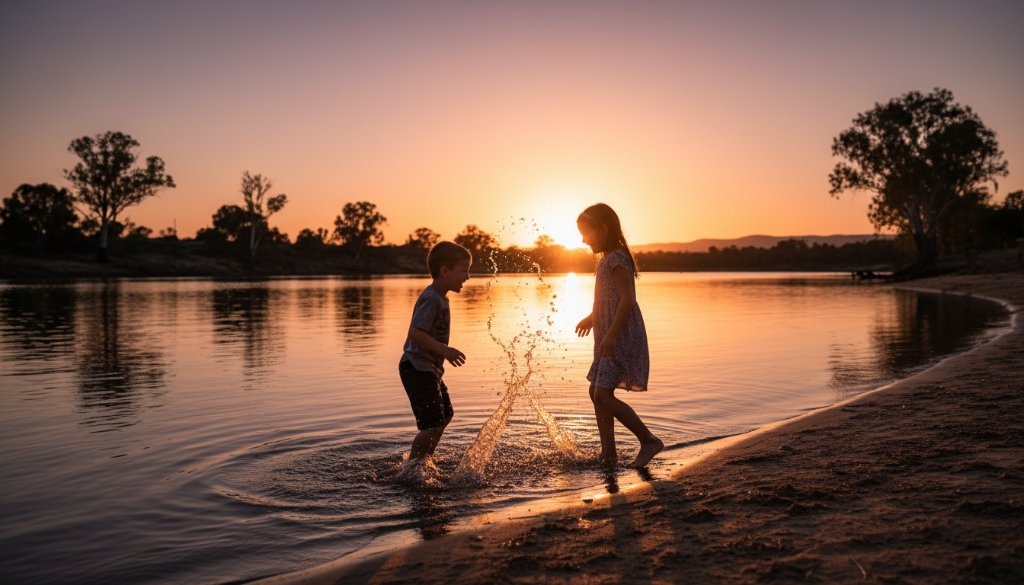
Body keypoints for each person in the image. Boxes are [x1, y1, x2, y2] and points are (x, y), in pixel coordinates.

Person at [575, 203, 663, 468]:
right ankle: (609, 454)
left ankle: (648, 440)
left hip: (619, 335)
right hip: (606, 334)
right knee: (596, 391)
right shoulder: (606, 259)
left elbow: (627, 300)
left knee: (602, 394)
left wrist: (612, 335)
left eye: (586, 233)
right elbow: (609, 298)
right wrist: (592, 318)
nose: (583, 239)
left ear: (602, 229)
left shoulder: (616, 258)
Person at [396, 241, 472, 479]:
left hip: (428, 369)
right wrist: (445, 350)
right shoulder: (432, 298)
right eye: (464, 270)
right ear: (445, 271)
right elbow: (415, 333)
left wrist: (441, 355)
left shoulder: (441, 297)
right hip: (416, 368)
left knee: (445, 415)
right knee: (430, 424)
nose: (467, 277)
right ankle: (412, 469)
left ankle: (424, 459)